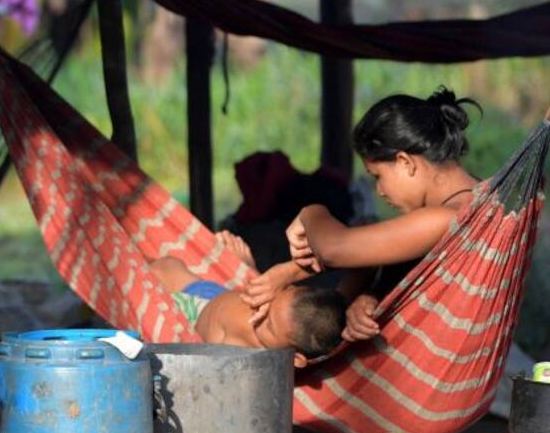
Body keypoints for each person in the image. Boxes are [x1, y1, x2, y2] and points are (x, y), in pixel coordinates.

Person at [243, 88, 481, 343]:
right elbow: (383, 254)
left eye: (377, 176)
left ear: (405, 162)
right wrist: (369, 298)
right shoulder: (477, 199)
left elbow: (334, 247)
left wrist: (310, 212)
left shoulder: (448, 217)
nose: (379, 191)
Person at [148, 232, 347, 368]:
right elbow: (262, 291)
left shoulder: (245, 354)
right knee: (168, 265)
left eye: (269, 325)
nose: (260, 312)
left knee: (147, 284)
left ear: (295, 359)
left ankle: (125, 270)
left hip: (189, 315)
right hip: (212, 294)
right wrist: (248, 269)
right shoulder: (273, 314)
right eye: (273, 300)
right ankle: (127, 251)